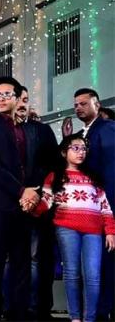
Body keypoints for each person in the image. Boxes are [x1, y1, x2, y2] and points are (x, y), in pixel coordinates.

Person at [29, 134, 115, 322]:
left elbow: (105, 206)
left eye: (83, 148)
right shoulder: (54, 176)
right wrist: (31, 207)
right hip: (66, 228)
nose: (80, 152)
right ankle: (75, 318)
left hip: (93, 231)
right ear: (63, 152)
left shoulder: (94, 177)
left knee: (93, 275)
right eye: (75, 148)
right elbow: (46, 201)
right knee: (72, 273)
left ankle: (90, 318)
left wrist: (110, 231)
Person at [0, 77, 40, 321]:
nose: (1, 99)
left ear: (18, 97)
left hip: (23, 207)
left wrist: (33, 193)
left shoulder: (25, 128)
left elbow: (30, 166)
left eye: (6, 94)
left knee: (22, 263)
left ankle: (18, 313)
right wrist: (21, 190)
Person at [7, 86, 59, 320]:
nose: (22, 103)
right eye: (18, 98)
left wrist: (35, 194)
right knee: (10, 259)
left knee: (37, 259)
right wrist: (18, 193)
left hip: (38, 206)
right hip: (9, 205)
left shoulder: (42, 130)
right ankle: (10, 307)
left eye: (25, 99)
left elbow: (53, 165)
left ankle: (36, 308)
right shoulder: (0, 131)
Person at [73, 88, 115, 320]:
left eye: (83, 103)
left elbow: (110, 170)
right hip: (88, 209)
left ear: (96, 104)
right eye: (76, 104)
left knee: (106, 264)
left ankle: (103, 312)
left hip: (106, 205)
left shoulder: (107, 128)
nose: (78, 107)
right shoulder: (83, 134)